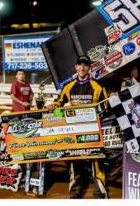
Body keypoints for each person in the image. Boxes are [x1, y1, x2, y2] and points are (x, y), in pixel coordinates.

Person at [46, 55, 108, 199]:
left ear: (89, 67)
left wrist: (112, 99)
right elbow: (59, 101)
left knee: (96, 162)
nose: (82, 68)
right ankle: (74, 194)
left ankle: (100, 194)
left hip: (93, 131)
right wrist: (52, 106)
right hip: (74, 132)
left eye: (85, 65)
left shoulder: (98, 86)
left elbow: (105, 105)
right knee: (74, 162)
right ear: (76, 67)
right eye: (80, 65)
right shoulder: (68, 86)